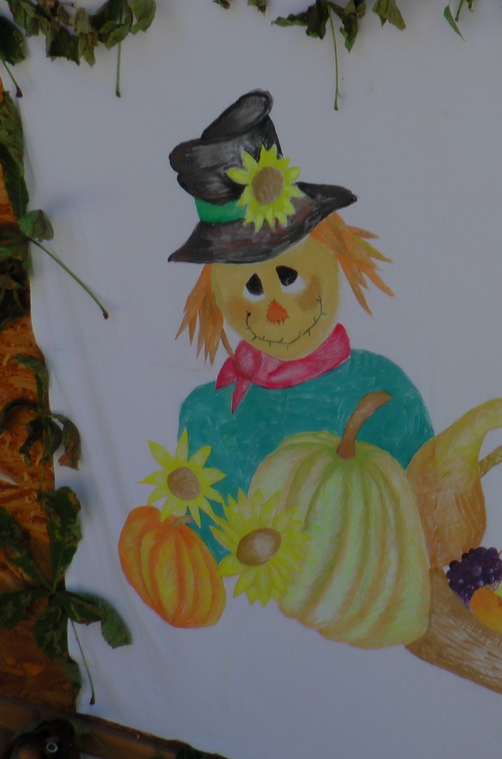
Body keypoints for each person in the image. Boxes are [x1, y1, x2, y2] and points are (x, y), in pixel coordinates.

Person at [167, 90, 433, 558]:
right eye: (252, 288)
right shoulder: (207, 415)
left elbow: (429, 523)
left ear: (338, 256)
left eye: (289, 277)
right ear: (214, 297)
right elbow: (205, 559)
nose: (276, 311)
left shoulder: (385, 392)